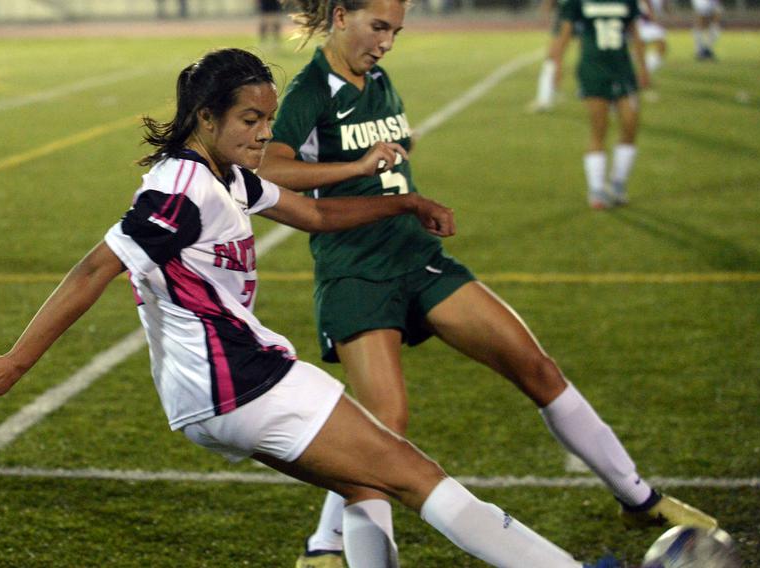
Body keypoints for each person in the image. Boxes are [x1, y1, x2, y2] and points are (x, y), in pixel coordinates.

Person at [0, 47, 625, 568]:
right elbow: (94, 268)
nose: (265, 133)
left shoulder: (229, 173)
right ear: (206, 119)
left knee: (366, 485)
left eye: (268, 120)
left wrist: (403, 201)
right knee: (416, 475)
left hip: (208, 397)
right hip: (245, 381)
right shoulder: (179, 189)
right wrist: (16, 362)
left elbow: (311, 213)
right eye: (250, 121)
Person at [258, 1, 718, 566]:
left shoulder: (376, 77)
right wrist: (357, 169)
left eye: (396, 31)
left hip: (418, 257)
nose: (387, 43)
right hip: (355, 271)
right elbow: (269, 169)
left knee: (537, 368)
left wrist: (395, 155)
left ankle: (639, 498)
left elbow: (376, 150)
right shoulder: (311, 89)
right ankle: (324, 547)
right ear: (340, 16)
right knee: (384, 427)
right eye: (378, 27)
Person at [550, 0, 649, 208]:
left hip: (622, 69)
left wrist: (643, 67)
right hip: (593, 69)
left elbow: (635, 34)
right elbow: (565, 34)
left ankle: (618, 183)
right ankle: (596, 189)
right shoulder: (577, 2)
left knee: (631, 124)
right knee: (599, 128)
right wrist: (558, 66)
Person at [529, 0, 564, 113]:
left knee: (553, 56)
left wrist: (546, 9)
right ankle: (549, 94)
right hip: (581, 12)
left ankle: (545, 98)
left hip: (569, 14)